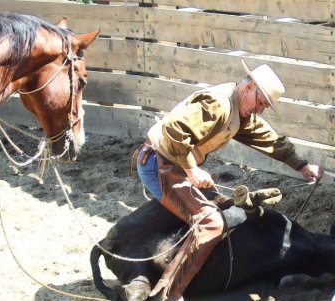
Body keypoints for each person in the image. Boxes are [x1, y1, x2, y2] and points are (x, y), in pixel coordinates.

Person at [135, 59, 324, 301]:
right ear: (248, 88)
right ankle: (167, 294)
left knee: (223, 208)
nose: (260, 110)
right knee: (211, 223)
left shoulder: (239, 110)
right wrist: (191, 169)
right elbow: (174, 130)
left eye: (265, 106)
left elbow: (266, 137)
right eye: (260, 103)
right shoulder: (218, 103)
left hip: (174, 165)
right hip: (159, 165)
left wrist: (302, 165)